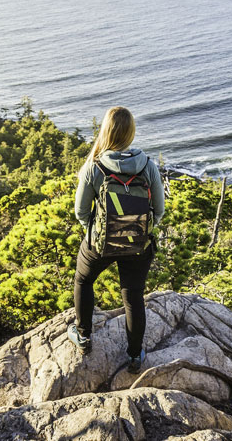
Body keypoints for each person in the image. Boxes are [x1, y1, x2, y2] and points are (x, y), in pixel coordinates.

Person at [68, 106, 165, 373]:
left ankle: (83, 337)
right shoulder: (147, 166)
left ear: (106, 131)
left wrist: (98, 233)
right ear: (131, 132)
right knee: (133, 296)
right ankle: (135, 356)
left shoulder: (93, 167)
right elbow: (159, 209)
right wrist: (139, 230)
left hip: (99, 245)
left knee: (84, 280)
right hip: (137, 245)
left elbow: (81, 212)